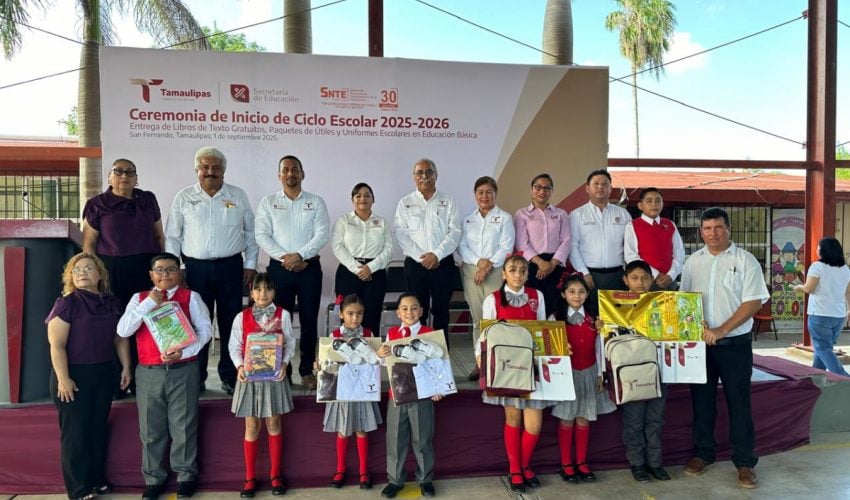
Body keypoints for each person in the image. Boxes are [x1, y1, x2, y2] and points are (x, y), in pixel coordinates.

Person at [680, 207, 769, 489]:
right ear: (701, 232)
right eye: (707, 229)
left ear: (728, 229)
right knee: (702, 403)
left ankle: (744, 462)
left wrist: (722, 329)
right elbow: (686, 300)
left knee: (739, 405)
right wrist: (695, 322)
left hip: (734, 346)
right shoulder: (693, 262)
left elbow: (754, 301)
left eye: (718, 227)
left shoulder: (745, 261)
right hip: (701, 346)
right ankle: (703, 453)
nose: (712, 233)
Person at [117, 252, 213, 500]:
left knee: (184, 426)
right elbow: (124, 329)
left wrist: (184, 352)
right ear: (151, 274)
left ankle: (185, 476)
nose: (165, 274)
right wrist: (149, 303)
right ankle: (154, 479)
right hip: (149, 372)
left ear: (179, 273)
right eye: (159, 270)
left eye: (170, 269)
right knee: (150, 429)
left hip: (183, 370)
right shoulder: (138, 298)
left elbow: (205, 331)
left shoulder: (191, 297)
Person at [165, 146, 258, 395]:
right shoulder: (184, 197)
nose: (210, 172)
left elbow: (251, 233)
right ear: (197, 170)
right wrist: (178, 268)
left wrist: (250, 265)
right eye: (205, 167)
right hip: (194, 269)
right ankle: (197, 377)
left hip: (231, 267)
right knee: (197, 323)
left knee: (230, 323)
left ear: (224, 172)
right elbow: (173, 237)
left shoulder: (237, 195)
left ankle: (229, 376)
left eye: (216, 168)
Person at [46, 253, 130, 500]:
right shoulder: (67, 303)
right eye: (77, 269)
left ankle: (96, 481)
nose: (82, 273)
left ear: (100, 275)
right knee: (76, 433)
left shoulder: (112, 302)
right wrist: (63, 378)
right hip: (73, 375)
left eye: (88, 268)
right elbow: (56, 345)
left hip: (103, 372)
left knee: (97, 429)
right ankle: (78, 488)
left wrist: (126, 367)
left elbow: (120, 337)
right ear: (71, 277)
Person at [82, 158, 164, 397]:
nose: (124, 176)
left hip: (144, 267)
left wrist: (161, 272)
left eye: (130, 172)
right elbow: (88, 244)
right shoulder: (98, 204)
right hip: (111, 269)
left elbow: (159, 237)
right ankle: (118, 380)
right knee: (116, 323)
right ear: (110, 177)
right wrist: (93, 276)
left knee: (144, 321)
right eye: (118, 172)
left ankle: (141, 379)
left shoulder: (148, 199)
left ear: (137, 178)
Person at [255, 155, 330, 389]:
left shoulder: (316, 202)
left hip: (309, 268)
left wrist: (300, 256)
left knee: (309, 320)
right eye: (285, 170)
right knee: (280, 321)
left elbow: (322, 234)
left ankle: (307, 369)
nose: (290, 174)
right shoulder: (268, 202)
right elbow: (262, 236)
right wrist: (285, 258)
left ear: (302, 174)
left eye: (295, 170)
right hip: (279, 269)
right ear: (279, 175)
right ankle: (281, 370)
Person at [478, 255, 549, 493]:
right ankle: (516, 469)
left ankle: (524, 463)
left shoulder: (537, 297)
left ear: (528, 274)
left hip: (531, 366)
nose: (518, 274)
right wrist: (481, 361)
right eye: (513, 270)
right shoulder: (493, 299)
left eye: (522, 270)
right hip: (506, 367)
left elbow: (541, 331)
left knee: (534, 424)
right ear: (504, 274)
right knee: (513, 419)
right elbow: (485, 333)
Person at [228, 273, 295, 498]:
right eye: (258, 289)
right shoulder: (242, 317)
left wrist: (285, 364)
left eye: (267, 289)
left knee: (274, 422)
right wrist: (239, 367)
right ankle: (250, 477)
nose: (262, 294)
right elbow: (234, 346)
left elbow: (290, 343)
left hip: (274, 377)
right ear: (251, 291)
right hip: (250, 378)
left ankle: (276, 475)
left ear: (274, 291)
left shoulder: (283, 315)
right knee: (252, 425)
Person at [549, 272, 615, 486]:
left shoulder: (595, 319)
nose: (576, 296)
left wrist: (601, 373)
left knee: (584, 417)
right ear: (563, 294)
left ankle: (581, 461)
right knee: (567, 418)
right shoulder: (555, 318)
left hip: (589, 371)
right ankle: (566, 463)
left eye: (581, 292)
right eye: (571, 292)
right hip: (567, 375)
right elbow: (549, 348)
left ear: (587, 294)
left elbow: (600, 347)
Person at [377, 293, 441, 498]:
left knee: (422, 439)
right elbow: (385, 364)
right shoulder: (392, 333)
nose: (409, 312)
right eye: (404, 308)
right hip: (398, 393)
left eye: (414, 308)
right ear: (398, 313)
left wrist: (438, 388)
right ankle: (395, 479)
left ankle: (425, 479)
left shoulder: (430, 333)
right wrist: (380, 356)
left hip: (422, 394)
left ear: (421, 311)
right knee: (395, 439)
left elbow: (439, 364)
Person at [393, 158, 461, 347]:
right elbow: (401, 234)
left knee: (441, 311)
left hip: (443, 264)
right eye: (419, 173)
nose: (424, 176)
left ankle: (441, 356)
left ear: (436, 175)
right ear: (414, 177)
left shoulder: (448, 201)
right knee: (414, 312)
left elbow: (454, 231)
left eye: (428, 172)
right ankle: (416, 353)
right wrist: (423, 258)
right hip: (416, 266)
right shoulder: (405, 203)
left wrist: (437, 255)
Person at [618, 260, 671, 482]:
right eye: (635, 278)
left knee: (655, 419)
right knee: (634, 421)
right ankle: (637, 464)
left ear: (652, 280)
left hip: (659, 370)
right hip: (632, 373)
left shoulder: (663, 303)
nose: (640, 283)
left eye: (645, 278)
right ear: (625, 280)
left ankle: (655, 463)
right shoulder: (616, 306)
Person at [323, 294, 383, 490]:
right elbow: (328, 366)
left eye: (359, 314)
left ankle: (364, 470)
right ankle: (340, 469)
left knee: (361, 429)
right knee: (343, 429)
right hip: (342, 389)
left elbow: (375, 363)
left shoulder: (368, 333)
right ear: (341, 314)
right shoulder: (333, 336)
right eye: (350, 314)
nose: (354, 318)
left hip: (362, 389)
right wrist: (320, 367)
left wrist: (379, 356)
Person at [458, 176, 515, 381]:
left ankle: (498, 363)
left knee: (496, 319)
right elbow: (462, 246)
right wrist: (479, 263)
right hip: (472, 273)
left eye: (489, 192)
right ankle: (479, 363)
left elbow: (506, 247)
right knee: (478, 320)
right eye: (480, 192)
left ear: (495, 194)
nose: (484, 196)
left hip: (495, 274)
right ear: (475, 195)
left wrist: (487, 265)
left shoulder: (505, 218)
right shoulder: (467, 219)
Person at [331, 183, 393, 335]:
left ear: (373, 199)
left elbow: (389, 249)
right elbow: (337, 246)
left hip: (375, 273)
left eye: (367, 195)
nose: (362, 198)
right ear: (352, 199)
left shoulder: (382, 222)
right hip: (348, 273)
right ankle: (345, 354)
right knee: (349, 316)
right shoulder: (343, 220)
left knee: (372, 315)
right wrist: (358, 269)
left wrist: (370, 267)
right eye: (358, 195)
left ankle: (372, 355)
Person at [569, 169, 630, 314]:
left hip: (618, 276)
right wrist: (584, 272)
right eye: (596, 183)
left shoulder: (623, 214)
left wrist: (627, 273)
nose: (600, 187)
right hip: (589, 276)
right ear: (587, 188)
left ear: (610, 188)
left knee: (616, 317)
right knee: (591, 317)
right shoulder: (576, 215)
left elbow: (630, 246)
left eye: (604, 184)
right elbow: (572, 246)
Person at [514, 173, 570, 317]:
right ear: (531, 190)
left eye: (547, 188)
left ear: (551, 191)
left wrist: (551, 264)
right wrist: (540, 263)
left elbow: (566, 240)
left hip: (555, 265)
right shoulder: (522, 214)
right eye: (538, 187)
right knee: (533, 306)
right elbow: (521, 243)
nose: (542, 191)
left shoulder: (561, 214)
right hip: (532, 266)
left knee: (554, 306)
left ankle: (551, 339)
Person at [794, 237, 850, 376]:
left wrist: (799, 286)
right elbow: (847, 291)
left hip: (820, 314)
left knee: (823, 348)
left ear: (824, 251)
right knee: (824, 348)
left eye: (818, 247)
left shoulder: (817, 266)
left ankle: (843, 378)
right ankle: (816, 376)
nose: (816, 249)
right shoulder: (845, 269)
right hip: (838, 316)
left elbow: (809, 288)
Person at [623, 188, 685, 291]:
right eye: (649, 201)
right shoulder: (632, 226)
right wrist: (655, 274)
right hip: (645, 282)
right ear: (640, 205)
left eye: (658, 200)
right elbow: (631, 256)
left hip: (669, 281)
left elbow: (679, 253)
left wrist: (671, 275)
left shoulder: (670, 224)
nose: (654, 204)